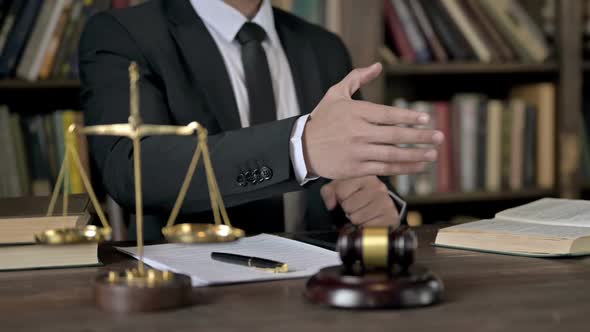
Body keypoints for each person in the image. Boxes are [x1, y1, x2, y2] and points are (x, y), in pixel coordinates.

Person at [79, 0, 443, 238]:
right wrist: (298, 148)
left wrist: (381, 209)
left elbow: (365, 176)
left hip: (319, 288)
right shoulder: (122, 33)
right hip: (193, 296)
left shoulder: (323, 46)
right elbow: (131, 172)